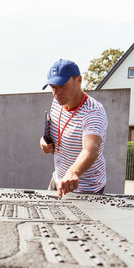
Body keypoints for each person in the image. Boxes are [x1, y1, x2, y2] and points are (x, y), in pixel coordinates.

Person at [39, 59, 108, 198]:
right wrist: (44, 142)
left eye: (62, 85)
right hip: (58, 180)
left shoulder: (93, 111)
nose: (57, 92)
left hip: (86, 188)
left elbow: (91, 148)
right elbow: (57, 132)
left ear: (79, 80)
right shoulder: (57, 102)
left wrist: (74, 172)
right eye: (53, 87)